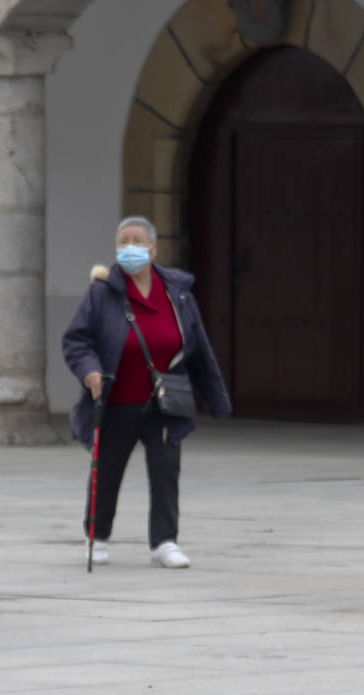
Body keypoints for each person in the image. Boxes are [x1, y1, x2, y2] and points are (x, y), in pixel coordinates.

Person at [61, 216, 232, 568]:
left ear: (153, 249)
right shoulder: (102, 291)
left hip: (165, 399)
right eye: (123, 241)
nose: (129, 247)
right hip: (118, 398)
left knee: (166, 470)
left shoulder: (177, 293)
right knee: (107, 470)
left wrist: (216, 399)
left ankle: (164, 542)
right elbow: (76, 340)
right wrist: (89, 369)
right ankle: (98, 535)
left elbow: (198, 347)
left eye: (137, 240)